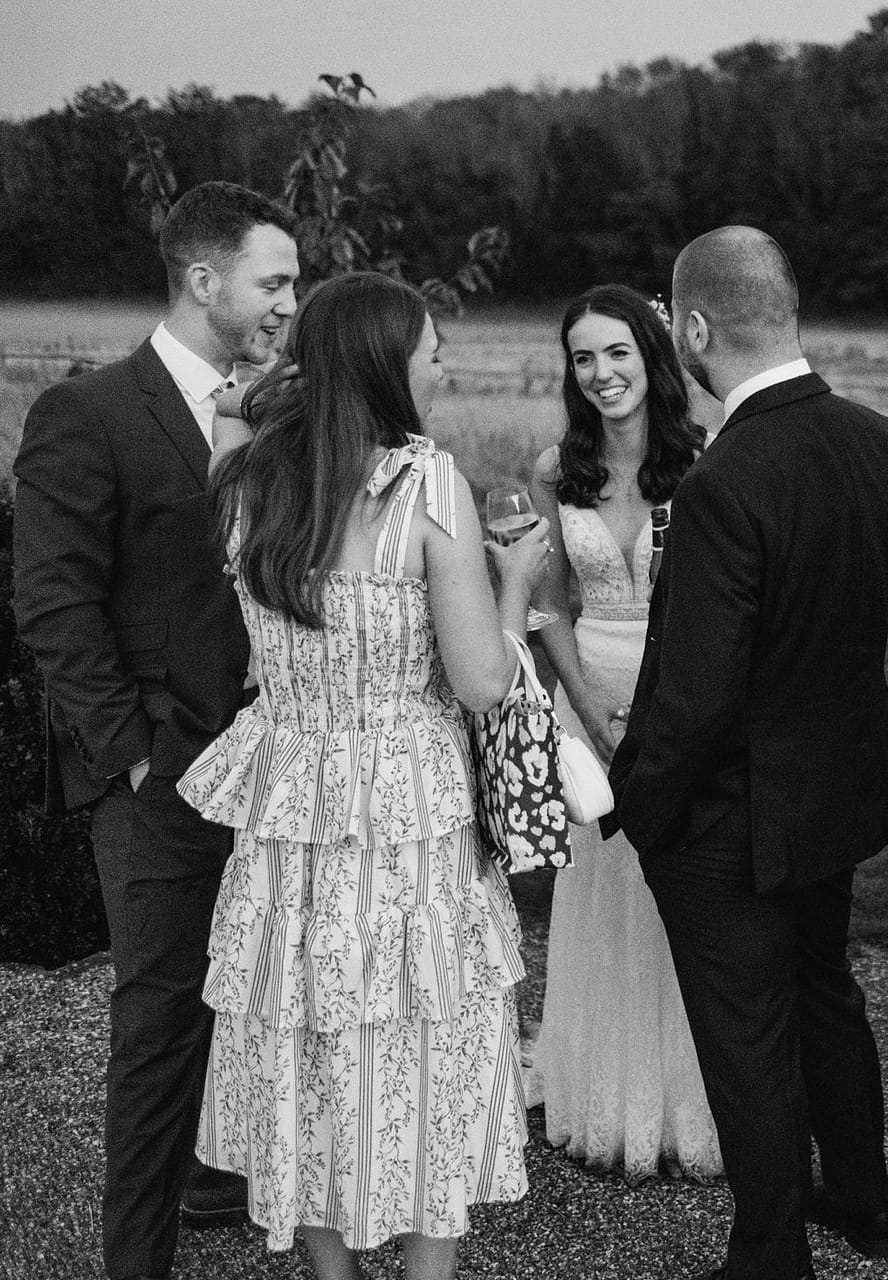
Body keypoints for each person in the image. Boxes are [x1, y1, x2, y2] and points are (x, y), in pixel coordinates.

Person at [177, 271, 547, 1279]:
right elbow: (477, 681)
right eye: (431, 350)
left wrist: (260, 394)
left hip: (291, 801)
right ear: (388, 366)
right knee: (432, 1045)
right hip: (408, 812)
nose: (444, 364)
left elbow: (226, 406)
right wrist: (513, 586)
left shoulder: (247, 478)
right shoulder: (430, 487)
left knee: (300, 1042)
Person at [607, 226, 888, 1280]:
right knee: (824, 990)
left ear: (694, 327)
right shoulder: (878, 436)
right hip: (834, 794)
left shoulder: (723, 481)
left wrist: (639, 810)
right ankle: (868, 1207)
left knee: (746, 1036)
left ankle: (771, 1257)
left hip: (734, 821)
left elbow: (694, 701)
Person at [11, 180, 295, 1280]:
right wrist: (131, 750)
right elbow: (52, 602)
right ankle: (136, 1257)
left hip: (269, 761)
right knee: (161, 1015)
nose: (287, 302)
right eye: (274, 281)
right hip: (157, 773)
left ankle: (217, 1172)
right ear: (204, 279)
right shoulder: (88, 412)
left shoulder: (271, 411)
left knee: (257, 986)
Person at [528, 284, 721, 1181]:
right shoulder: (553, 468)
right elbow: (550, 603)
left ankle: (696, 1104)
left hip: (686, 702)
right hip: (588, 700)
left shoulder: (708, 461)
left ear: (652, 356)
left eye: (617, 353)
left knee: (682, 897)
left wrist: (661, 713)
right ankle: (601, 1093)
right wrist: (587, 711)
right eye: (583, 358)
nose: (601, 374)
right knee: (605, 897)